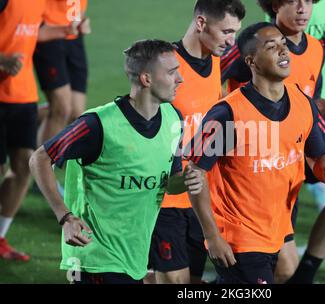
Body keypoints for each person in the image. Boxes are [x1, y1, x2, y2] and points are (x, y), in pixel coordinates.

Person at [221, 0, 325, 283]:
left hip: (293, 147)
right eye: (293, 2)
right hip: (257, 161)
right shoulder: (255, 48)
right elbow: (210, 71)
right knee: (275, 266)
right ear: (274, 7)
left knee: (283, 265)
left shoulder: (315, 49)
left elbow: (309, 103)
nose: (303, 9)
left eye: (308, 2)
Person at [29, 39, 204, 284]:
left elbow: (169, 183)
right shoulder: (98, 124)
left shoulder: (173, 118)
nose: (180, 79)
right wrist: (65, 217)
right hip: (94, 257)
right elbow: (39, 158)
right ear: (146, 79)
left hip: (133, 256)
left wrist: (186, 180)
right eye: (172, 72)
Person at [185, 22, 325, 284]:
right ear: (252, 62)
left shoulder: (302, 102)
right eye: (272, 47)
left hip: (277, 231)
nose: (283, 51)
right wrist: (212, 236)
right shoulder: (227, 114)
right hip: (239, 238)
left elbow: (318, 154)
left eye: (283, 44)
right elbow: (195, 171)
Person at [149, 0, 245, 284]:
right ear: (201, 23)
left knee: (191, 281)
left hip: (200, 197)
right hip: (164, 199)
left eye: (235, 32)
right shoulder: (164, 64)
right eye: (226, 31)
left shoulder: (218, 61)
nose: (232, 41)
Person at [0, 0, 79, 262]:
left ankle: (1, 237)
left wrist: (67, 29)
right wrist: (3, 59)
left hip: (23, 97)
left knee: (23, 169)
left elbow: (32, 31)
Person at [34, 0, 91, 146]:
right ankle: (41, 163)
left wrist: (81, 20)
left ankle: (19, 120)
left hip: (75, 37)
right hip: (48, 35)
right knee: (62, 107)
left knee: (76, 112)